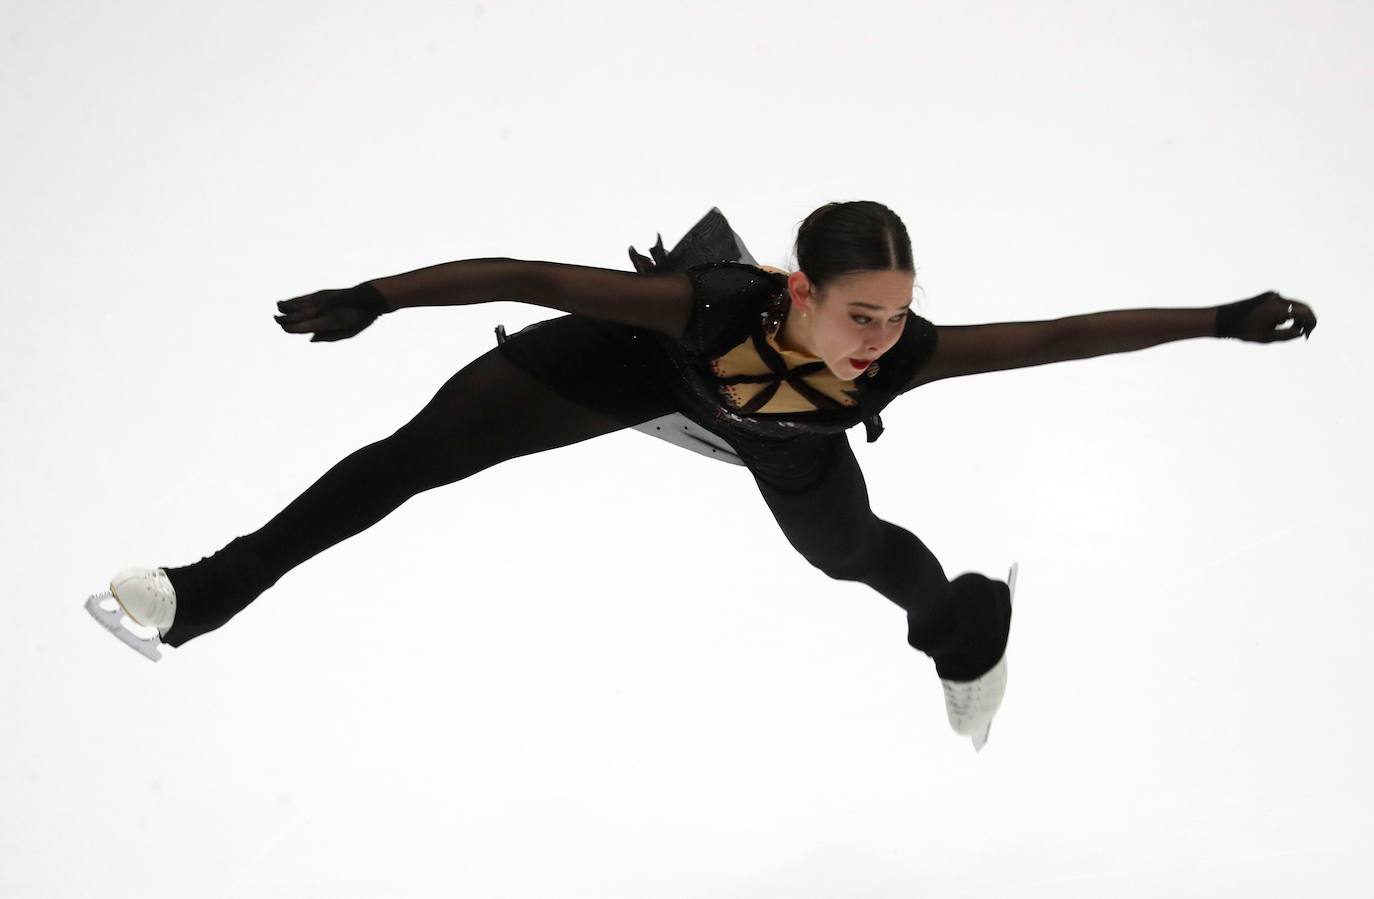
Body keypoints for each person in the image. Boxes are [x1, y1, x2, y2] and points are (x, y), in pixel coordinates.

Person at [83, 201, 1318, 750]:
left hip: (790, 446)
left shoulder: (901, 362)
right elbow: (531, 275)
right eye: (859, 313)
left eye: (897, 313)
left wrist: (1219, 315)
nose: (880, 336)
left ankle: (968, 625)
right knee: (408, 460)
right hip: (636, 369)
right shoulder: (705, 302)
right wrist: (380, 295)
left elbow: (1060, 337)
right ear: (799, 291)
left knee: (853, 557)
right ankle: (202, 591)